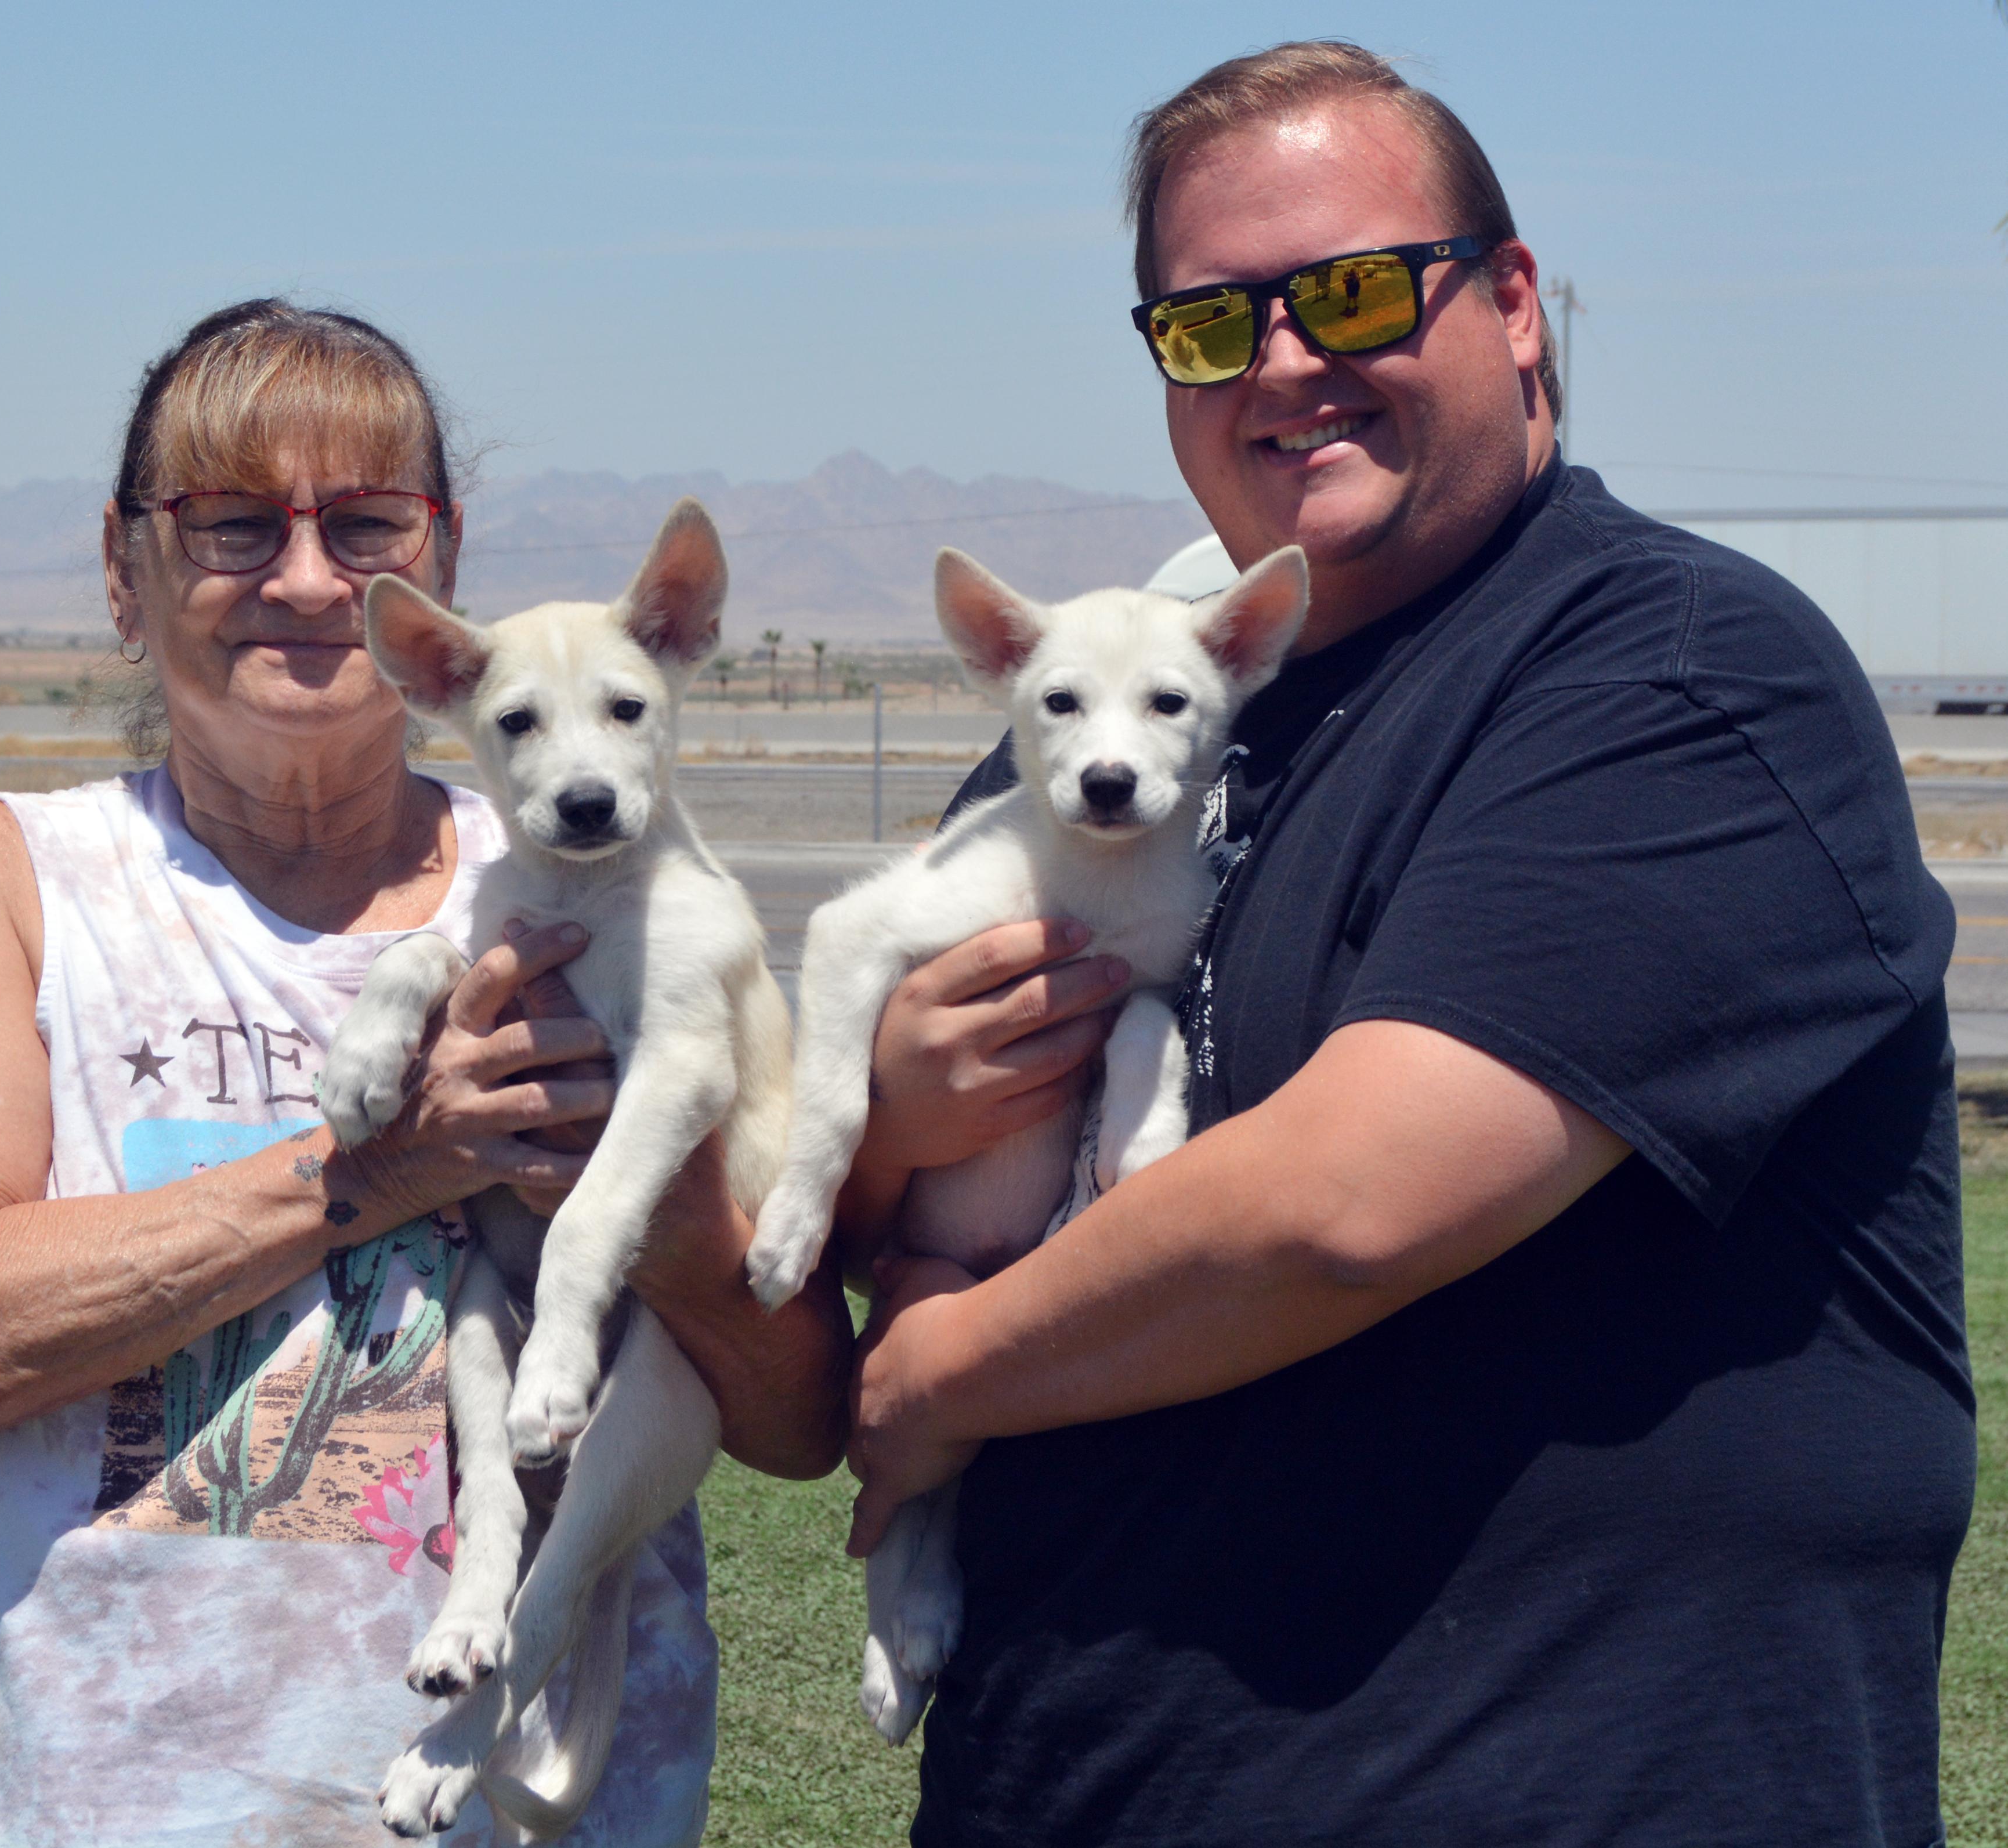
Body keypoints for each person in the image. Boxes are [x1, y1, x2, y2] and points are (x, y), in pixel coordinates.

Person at [837, 42, 1973, 1846]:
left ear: (1513, 305)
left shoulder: (1668, 674)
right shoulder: (1113, 722)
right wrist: (895, 1103)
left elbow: (1341, 1205)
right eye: (1210, 327)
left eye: (1351, 291)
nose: (1283, 362)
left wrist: (930, 1378)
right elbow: (851, 1198)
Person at [0, 299, 851, 1847]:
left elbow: (793, 1419)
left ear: (433, 574)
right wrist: (392, 1164)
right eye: (232, 521)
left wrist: (634, 1200)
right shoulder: (8, 880)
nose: (306, 578)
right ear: (124, 572)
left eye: (364, 522)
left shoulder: (585, 885)